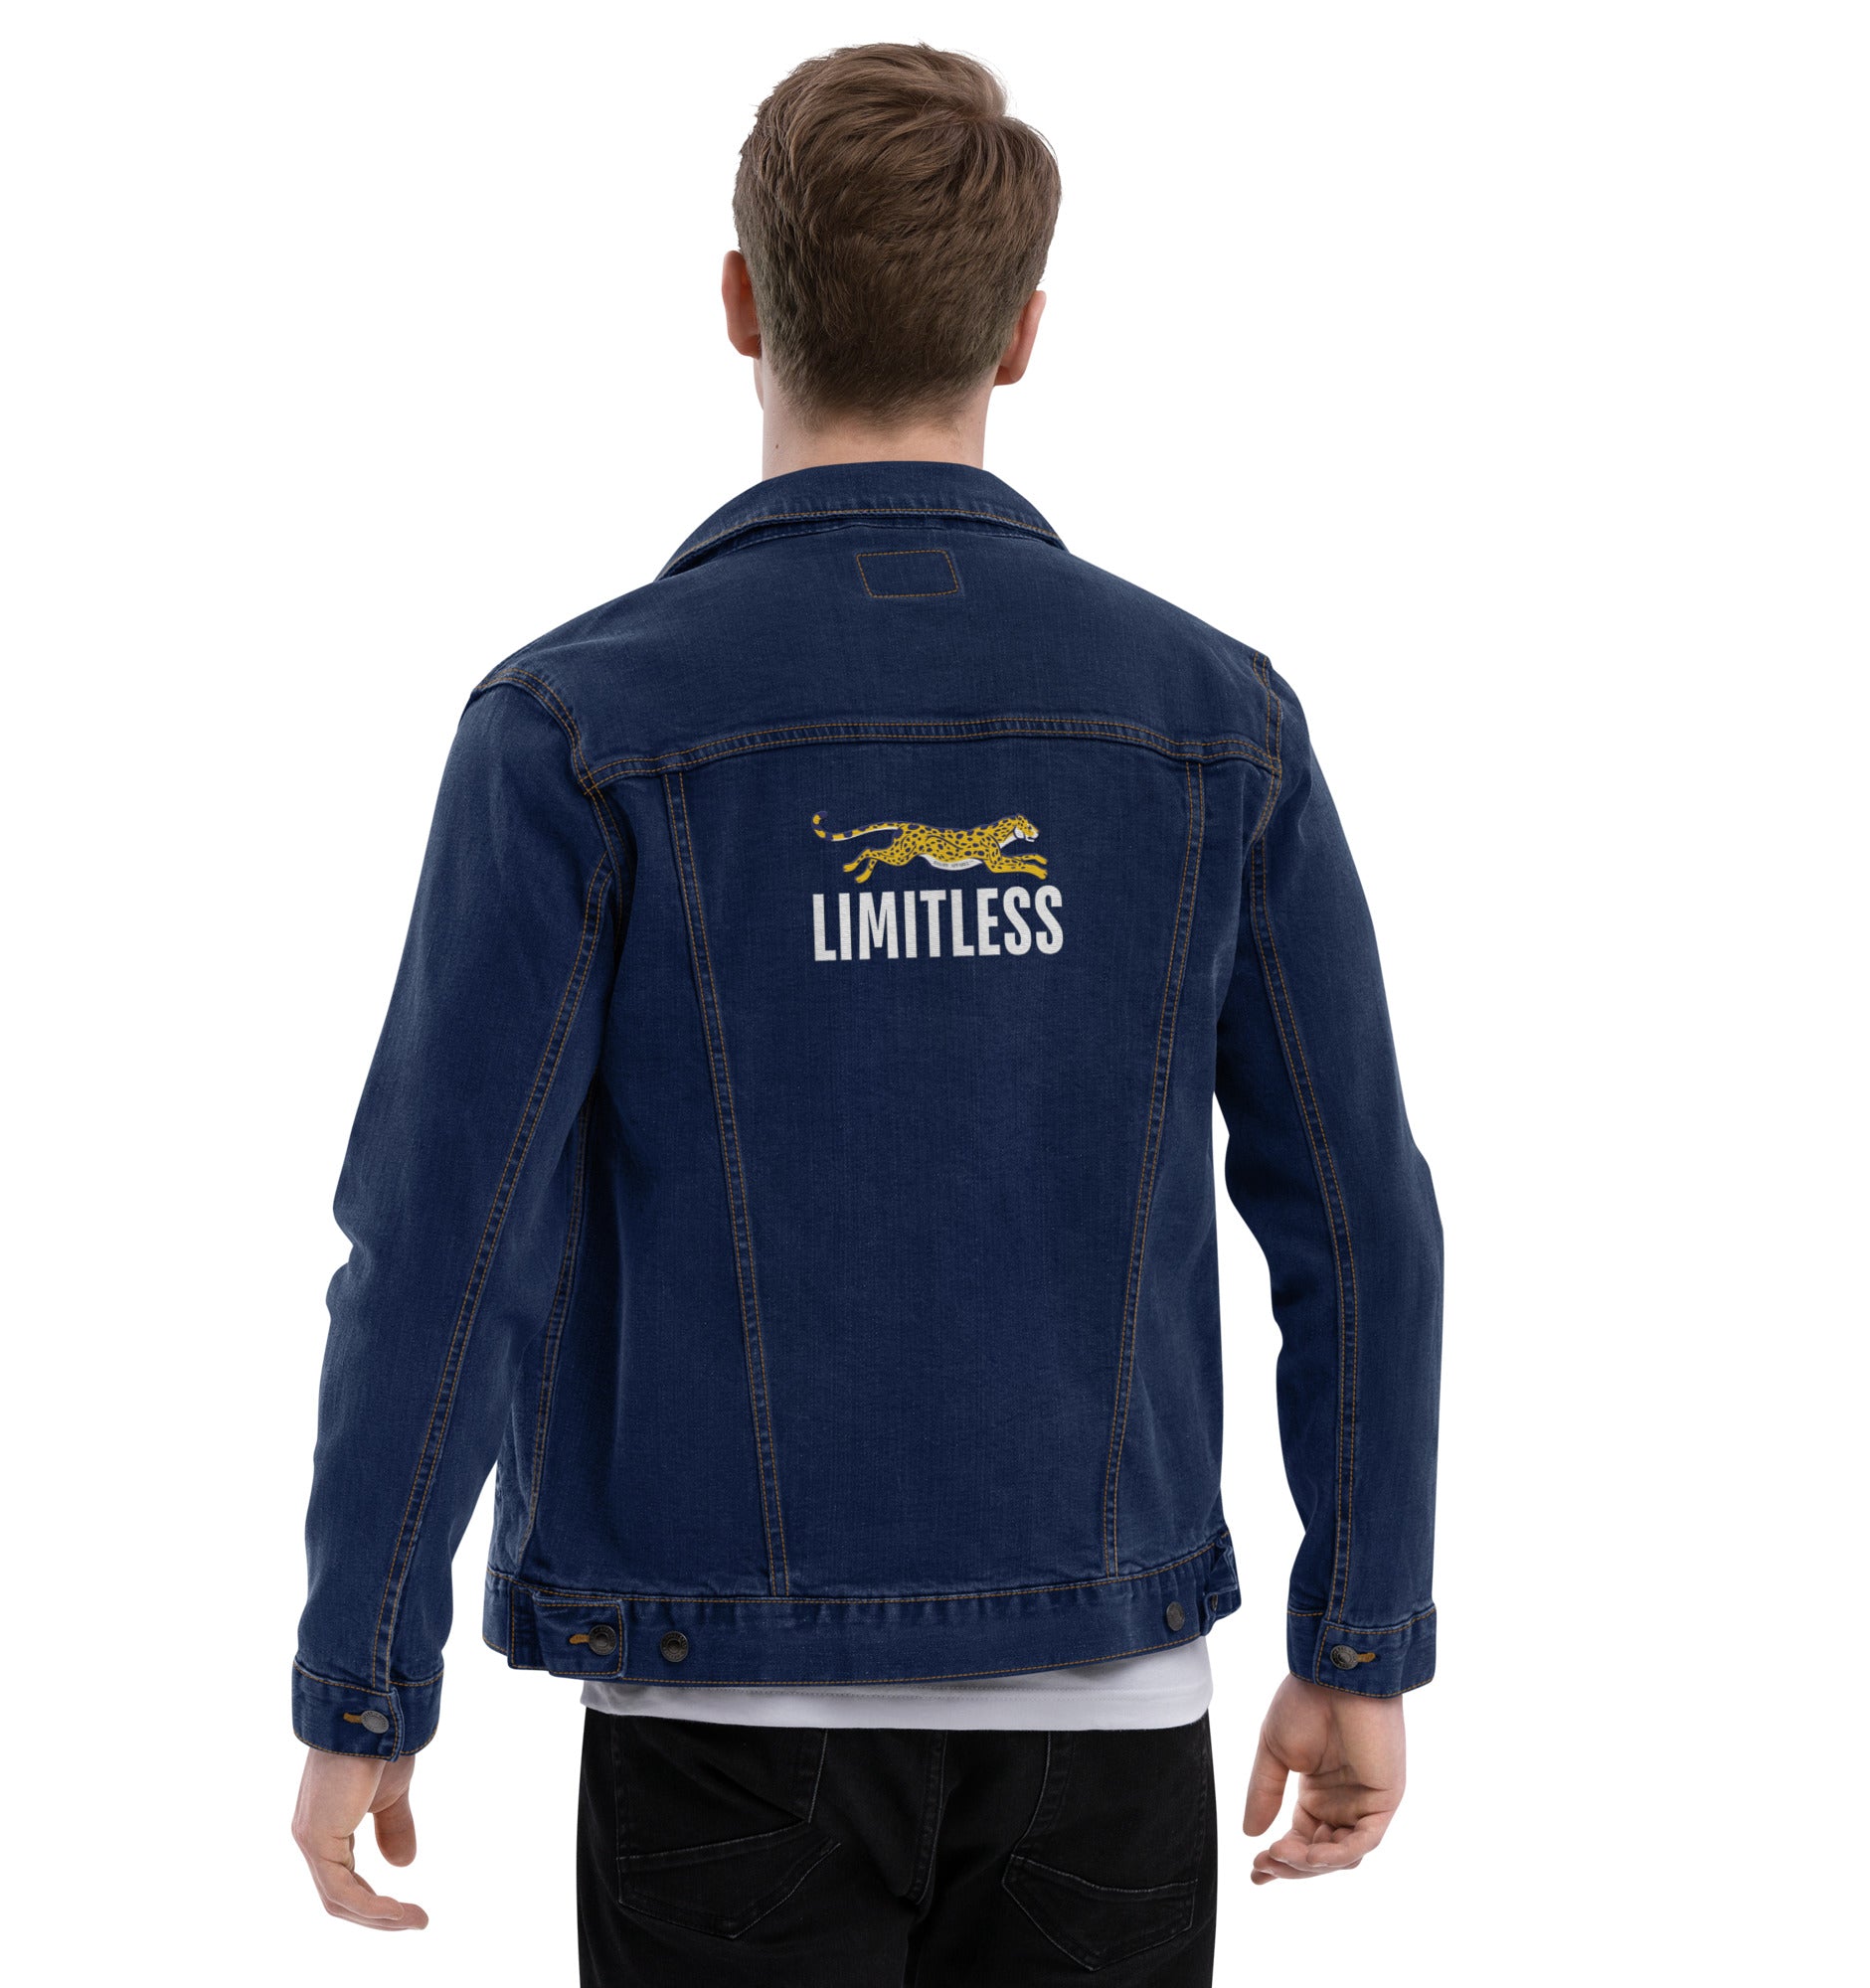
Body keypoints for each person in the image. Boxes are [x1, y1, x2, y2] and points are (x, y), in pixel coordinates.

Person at [288, 42, 1443, 1985]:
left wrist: (363, 1676)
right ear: (1024, 334)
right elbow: (1363, 1220)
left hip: (717, 1720)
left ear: (742, 302)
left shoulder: (574, 727)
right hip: (1110, 1717)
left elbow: (444, 1242)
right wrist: (1360, 1640)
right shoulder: (1213, 721)